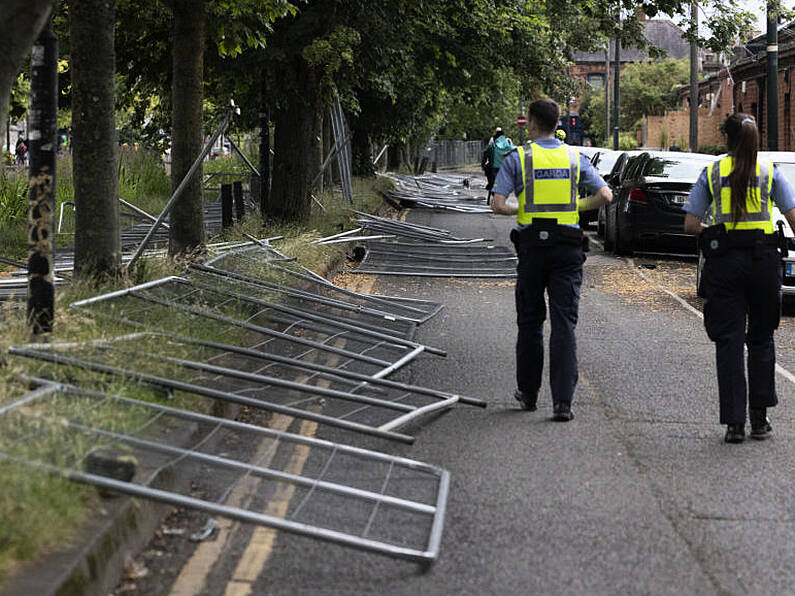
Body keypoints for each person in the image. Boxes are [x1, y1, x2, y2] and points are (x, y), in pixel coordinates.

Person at [491, 98, 612, 421]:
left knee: (529, 322)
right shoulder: (574, 157)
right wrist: (575, 208)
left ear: (531, 123)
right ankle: (563, 403)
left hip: (532, 248)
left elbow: (498, 205)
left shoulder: (518, 158)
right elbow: (605, 195)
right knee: (564, 324)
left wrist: (526, 210)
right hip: (567, 248)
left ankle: (528, 394)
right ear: (558, 123)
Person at [683, 113, 795, 443]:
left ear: (726, 139)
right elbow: (792, 217)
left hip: (725, 264)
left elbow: (690, 225)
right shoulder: (769, 172)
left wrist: (714, 231)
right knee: (761, 337)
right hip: (763, 263)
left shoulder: (714, 171)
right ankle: (759, 419)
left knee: (729, 341)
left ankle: (734, 423)